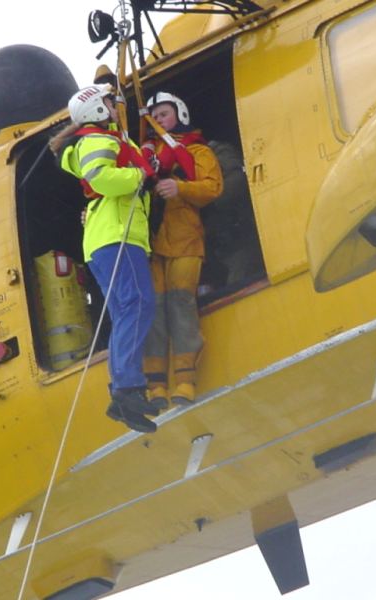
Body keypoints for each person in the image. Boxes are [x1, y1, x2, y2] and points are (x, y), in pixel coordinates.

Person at [49, 84, 159, 434]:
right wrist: (139, 173)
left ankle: (125, 394)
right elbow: (102, 177)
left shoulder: (98, 140)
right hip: (116, 236)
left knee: (125, 310)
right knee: (137, 304)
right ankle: (127, 388)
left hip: (106, 239)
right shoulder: (99, 140)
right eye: (111, 103)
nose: (115, 108)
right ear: (97, 108)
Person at [141, 92, 224, 408]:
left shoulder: (195, 151)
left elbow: (213, 187)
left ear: (180, 113)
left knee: (180, 304)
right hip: (151, 244)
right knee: (153, 311)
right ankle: (157, 386)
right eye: (155, 115)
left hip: (185, 240)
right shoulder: (144, 158)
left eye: (164, 113)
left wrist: (180, 188)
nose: (159, 119)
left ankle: (186, 380)